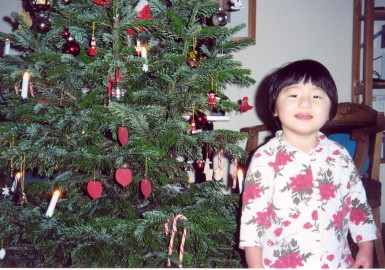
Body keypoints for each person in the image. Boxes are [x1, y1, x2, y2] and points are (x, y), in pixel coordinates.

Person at [239, 59, 380, 268]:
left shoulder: (339, 155)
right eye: (294, 95)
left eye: (316, 96)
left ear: (331, 109)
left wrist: (366, 247)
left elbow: (357, 203)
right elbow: (253, 220)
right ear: (275, 108)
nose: (305, 103)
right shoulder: (265, 158)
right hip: (282, 263)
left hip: (336, 262)